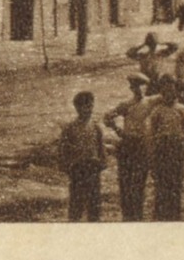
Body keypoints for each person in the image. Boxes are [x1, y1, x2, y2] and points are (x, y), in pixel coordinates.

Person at [104, 73, 158, 220]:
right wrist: (116, 129)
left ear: (146, 87)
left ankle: (137, 215)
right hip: (127, 145)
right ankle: (128, 216)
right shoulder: (126, 105)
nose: (139, 90)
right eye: (136, 87)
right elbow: (107, 117)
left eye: (142, 86)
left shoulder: (152, 102)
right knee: (125, 182)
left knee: (139, 183)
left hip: (142, 145)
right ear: (131, 88)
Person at [147, 78, 184, 220]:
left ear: (176, 91)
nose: (169, 93)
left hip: (177, 149)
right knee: (161, 184)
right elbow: (152, 134)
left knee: (176, 183)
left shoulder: (183, 109)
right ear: (161, 92)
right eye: (165, 90)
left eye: (171, 89)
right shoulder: (157, 111)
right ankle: (160, 215)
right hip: (162, 149)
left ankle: (175, 215)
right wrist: (153, 154)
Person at [58, 90, 107, 222]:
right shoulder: (70, 128)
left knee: (94, 205)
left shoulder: (96, 127)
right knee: (76, 205)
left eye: (90, 106)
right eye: (84, 107)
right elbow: (62, 150)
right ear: (77, 108)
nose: (88, 110)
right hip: (77, 170)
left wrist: (102, 163)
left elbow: (101, 148)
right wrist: (68, 167)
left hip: (93, 169)